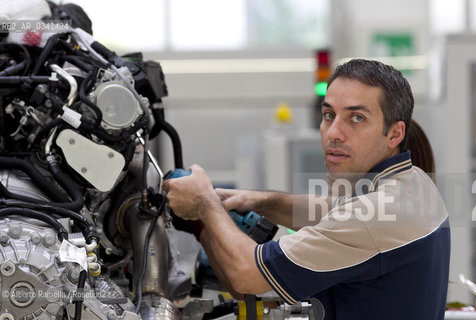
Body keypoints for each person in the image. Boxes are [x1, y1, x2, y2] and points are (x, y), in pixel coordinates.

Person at [163, 59, 450, 320]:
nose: (334, 132)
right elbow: (331, 211)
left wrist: (204, 205)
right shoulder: (415, 182)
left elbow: (246, 275)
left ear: (395, 133)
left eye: (357, 118)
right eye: (328, 115)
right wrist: (258, 200)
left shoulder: (372, 216)